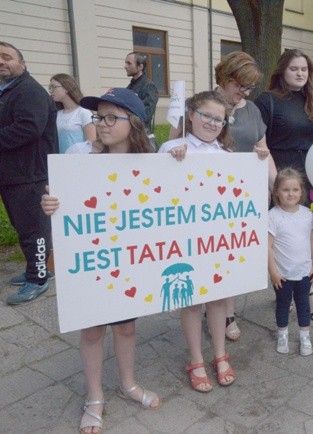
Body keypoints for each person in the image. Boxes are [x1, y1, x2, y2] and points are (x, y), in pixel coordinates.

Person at [41, 88, 161, 433]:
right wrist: (50, 205)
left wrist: (179, 156)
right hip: (94, 262)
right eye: (98, 117)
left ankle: (128, 384)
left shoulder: (152, 165)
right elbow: (61, 200)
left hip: (131, 262)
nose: (102, 124)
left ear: (133, 123)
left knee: (126, 326)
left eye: (111, 117)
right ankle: (94, 396)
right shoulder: (81, 158)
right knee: (92, 330)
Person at [160, 91, 243, 392]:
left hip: (218, 239)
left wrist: (258, 161)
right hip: (184, 239)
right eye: (206, 115)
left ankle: (220, 353)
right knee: (192, 299)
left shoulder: (229, 156)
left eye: (218, 119)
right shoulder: (171, 147)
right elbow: (156, 191)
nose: (211, 122)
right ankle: (196, 358)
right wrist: (171, 162)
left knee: (218, 297)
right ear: (191, 114)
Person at [255, 49, 313, 323]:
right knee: (282, 239)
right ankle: (283, 287)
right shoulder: (268, 100)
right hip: (280, 178)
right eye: (294, 68)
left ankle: (308, 292)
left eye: (304, 69)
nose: (300, 73)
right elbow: (260, 142)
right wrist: (274, 184)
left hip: (309, 177)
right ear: (283, 70)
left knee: (310, 235)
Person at [212, 51, 277, 341]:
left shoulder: (251, 109)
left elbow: (263, 149)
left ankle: (225, 310)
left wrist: (278, 187)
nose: (245, 92)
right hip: (212, 196)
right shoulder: (203, 104)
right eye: (241, 85)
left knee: (235, 254)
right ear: (225, 79)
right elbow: (179, 140)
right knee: (216, 254)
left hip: (247, 197)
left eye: (249, 88)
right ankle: (220, 311)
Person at [0, 41, 57, 305]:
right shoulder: (8, 91)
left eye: (7, 57)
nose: (1, 62)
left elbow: (28, 128)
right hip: (14, 175)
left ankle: (38, 279)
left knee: (34, 229)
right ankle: (37, 269)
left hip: (30, 175)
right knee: (23, 227)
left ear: (22, 64)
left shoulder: (29, 91)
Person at [268, 168, 313, 356]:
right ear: (276, 192)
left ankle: (305, 336)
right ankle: (282, 334)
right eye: (285, 190)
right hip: (283, 274)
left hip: (304, 272)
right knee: (283, 305)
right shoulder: (273, 216)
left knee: (303, 306)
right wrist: (273, 272)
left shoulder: (308, 214)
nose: (291, 194)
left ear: (301, 192)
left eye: (295, 190)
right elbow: (268, 246)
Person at [49, 73, 96, 154]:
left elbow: (91, 144)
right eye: (50, 88)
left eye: (54, 87)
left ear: (66, 88)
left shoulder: (83, 112)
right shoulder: (57, 115)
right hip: (60, 162)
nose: (51, 91)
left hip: (79, 162)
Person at [125, 52, 158, 134]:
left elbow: (146, 114)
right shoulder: (130, 87)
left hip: (140, 136)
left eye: (129, 63)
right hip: (129, 133)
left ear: (140, 66)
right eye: (125, 63)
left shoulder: (149, 86)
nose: (125, 66)